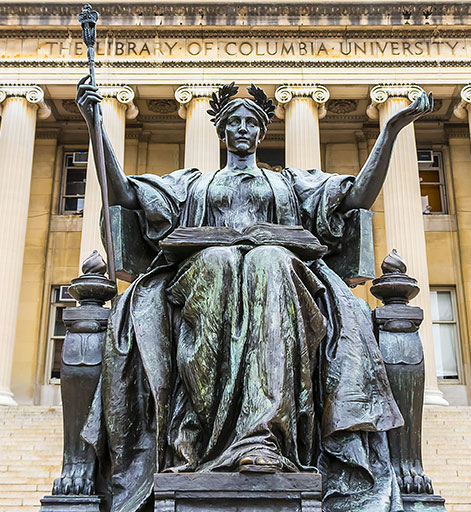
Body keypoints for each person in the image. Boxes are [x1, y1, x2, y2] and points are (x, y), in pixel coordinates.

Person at [75, 77, 433, 512]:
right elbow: (124, 194)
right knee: (219, 262)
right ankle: (197, 440)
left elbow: (357, 194)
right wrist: (95, 123)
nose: (242, 128)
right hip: (206, 278)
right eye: (234, 122)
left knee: (268, 260)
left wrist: (391, 130)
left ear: (262, 133)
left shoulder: (290, 184)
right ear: (222, 131)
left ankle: (265, 437)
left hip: (279, 281)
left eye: (251, 122)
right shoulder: (191, 185)